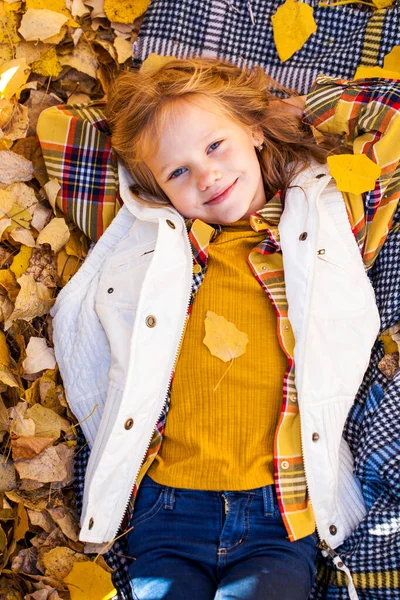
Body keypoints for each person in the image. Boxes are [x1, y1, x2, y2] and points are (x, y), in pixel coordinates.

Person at [39, 58, 400, 600]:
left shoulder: (326, 215)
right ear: (153, 184)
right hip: (167, 511)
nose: (206, 176)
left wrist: (275, 108)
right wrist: (162, 120)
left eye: (215, 146)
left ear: (253, 132)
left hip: (281, 509)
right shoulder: (153, 238)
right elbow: (60, 127)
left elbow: (391, 113)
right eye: (177, 171)